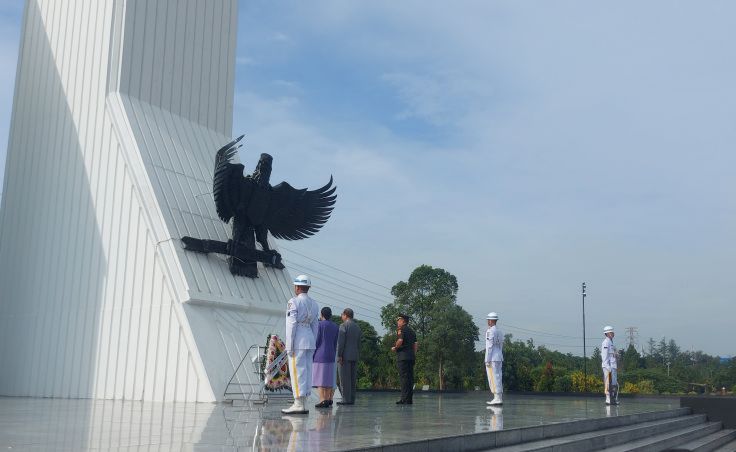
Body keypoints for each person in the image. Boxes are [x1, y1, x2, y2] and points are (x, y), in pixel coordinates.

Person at [282, 274, 320, 414]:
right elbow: (316, 326)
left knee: (297, 371)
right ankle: (303, 403)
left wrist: (289, 345)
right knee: (307, 371)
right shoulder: (314, 304)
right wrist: (313, 343)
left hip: (298, 339)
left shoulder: (294, 302)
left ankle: (298, 403)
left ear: (297, 287)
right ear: (308, 288)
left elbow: (291, 325)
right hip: (309, 339)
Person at [313, 306, 339, 408]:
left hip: (320, 354)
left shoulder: (319, 325)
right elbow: (335, 341)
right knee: (328, 378)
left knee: (319, 378)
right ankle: (328, 399)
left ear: (321, 315)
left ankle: (322, 399)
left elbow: (317, 340)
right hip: (331, 354)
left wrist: (313, 352)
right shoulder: (335, 326)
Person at [336, 308, 362, 405]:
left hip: (345, 356)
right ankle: (352, 399)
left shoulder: (343, 326)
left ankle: (345, 399)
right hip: (355, 355)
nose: (341, 316)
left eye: (342, 314)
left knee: (344, 379)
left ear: (346, 315)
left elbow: (341, 342)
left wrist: (339, 355)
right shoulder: (357, 327)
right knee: (352, 379)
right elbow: (359, 343)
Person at [391, 314, 417, 404]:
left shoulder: (402, 329)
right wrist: (413, 354)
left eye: (398, 320)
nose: (397, 322)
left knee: (404, 379)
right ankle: (409, 399)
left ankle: (404, 399)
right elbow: (415, 345)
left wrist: (395, 347)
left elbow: (400, 341)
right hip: (411, 357)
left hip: (403, 358)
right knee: (410, 378)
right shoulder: (412, 331)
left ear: (403, 321)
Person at [485, 312, 504, 405]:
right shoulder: (499, 331)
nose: (487, 321)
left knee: (493, 377)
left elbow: (489, 346)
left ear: (491, 321)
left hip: (492, 357)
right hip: (499, 356)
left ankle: (496, 397)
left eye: (488, 320)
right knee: (498, 377)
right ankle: (499, 397)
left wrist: (487, 359)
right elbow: (501, 345)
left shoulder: (490, 331)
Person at [601, 325, 619, 405]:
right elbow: (604, 356)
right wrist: (608, 367)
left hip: (613, 366)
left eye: (613, 332)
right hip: (608, 367)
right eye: (611, 332)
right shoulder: (606, 342)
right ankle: (608, 399)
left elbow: (612, 354)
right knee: (608, 383)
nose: (613, 333)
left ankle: (613, 399)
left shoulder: (611, 342)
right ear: (607, 333)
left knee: (614, 383)